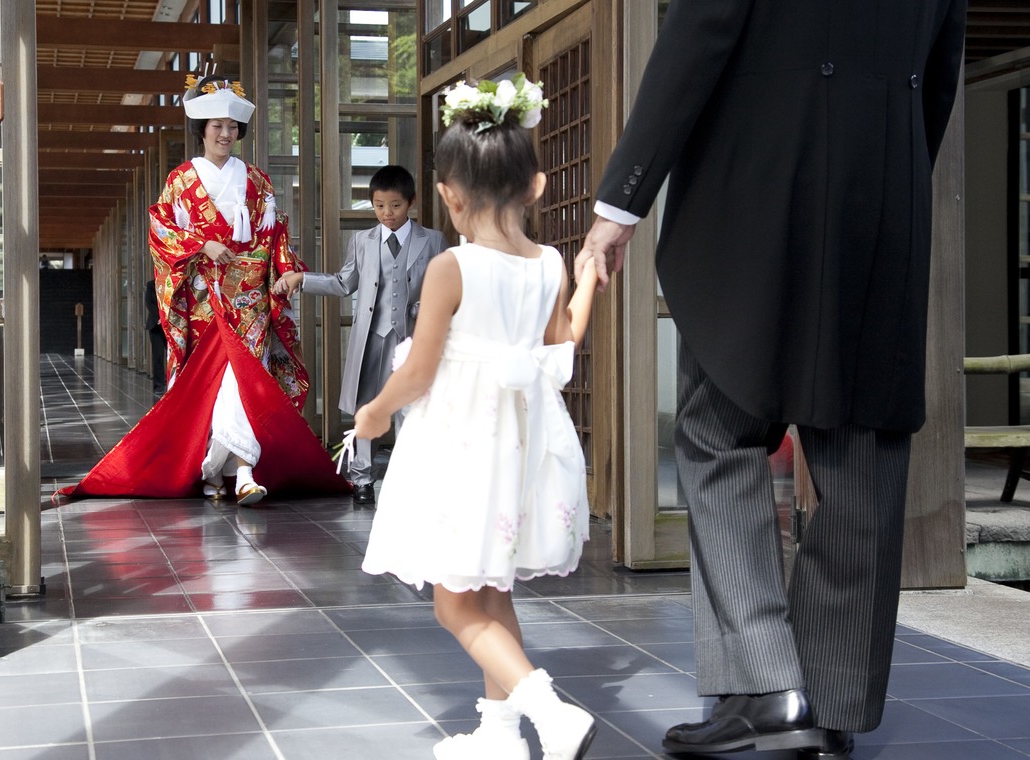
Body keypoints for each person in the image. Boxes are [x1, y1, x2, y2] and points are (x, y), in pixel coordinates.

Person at [575, 2, 967, 759]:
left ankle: (764, 683)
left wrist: (621, 203)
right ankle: (834, 701)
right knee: (862, 450)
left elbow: (697, 40)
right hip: (883, 199)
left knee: (716, 429)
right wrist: (887, 172)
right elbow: (940, 81)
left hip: (760, 191)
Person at [355, 75, 597, 760]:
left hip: (462, 445)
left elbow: (421, 370)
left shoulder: (451, 267)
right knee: (491, 592)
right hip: (519, 444)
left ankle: (551, 714)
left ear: (448, 194)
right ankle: (499, 736)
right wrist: (585, 284)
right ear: (536, 186)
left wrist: (374, 411)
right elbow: (562, 348)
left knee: (454, 603)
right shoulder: (549, 262)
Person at [57, 75, 348, 505]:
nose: (225, 134)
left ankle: (242, 470)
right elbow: (162, 231)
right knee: (211, 386)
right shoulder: (180, 180)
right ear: (202, 130)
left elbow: (276, 236)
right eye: (216, 126)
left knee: (243, 380)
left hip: (249, 299)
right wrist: (201, 245)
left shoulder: (257, 181)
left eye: (232, 127)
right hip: (203, 299)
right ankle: (215, 468)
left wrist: (285, 272)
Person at [273, 165, 446, 506]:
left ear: (410, 203)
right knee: (367, 404)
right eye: (379, 205)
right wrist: (301, 279)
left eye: (395, 205)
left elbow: (444, 285)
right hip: (372, 338)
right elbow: (343, 282)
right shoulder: (362, 241)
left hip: (414, 338)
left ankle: (412, 477)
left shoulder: (433, 240)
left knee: (413, 406)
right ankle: (362, 478)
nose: (387, 213)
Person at [143, 280, 166, 394]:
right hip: (155, 325)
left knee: (175, 356)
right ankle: (159, 386)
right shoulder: (151, 284)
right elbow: (149, 303)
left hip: (172, 324)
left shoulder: (172, 281)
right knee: (158, 356)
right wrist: (160, 317)